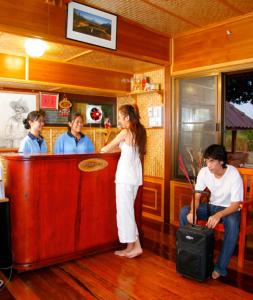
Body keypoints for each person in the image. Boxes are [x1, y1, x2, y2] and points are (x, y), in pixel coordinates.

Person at [180, 144, 243, 279]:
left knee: (232, 225)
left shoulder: (233, 174)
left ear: (221, 161)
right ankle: (190, 252)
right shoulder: (204, 172)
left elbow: (236, 204)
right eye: (207, 160)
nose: (208, 165)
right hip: (211, 205)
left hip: (229, 209)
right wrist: (193, 211)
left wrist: (218, 215)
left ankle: (220, 267)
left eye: (212, 161)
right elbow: (197, 195)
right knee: (184, 211)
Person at [101, 104, 147, 258]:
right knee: (128, 212)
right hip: (134, 177)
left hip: (125, 177)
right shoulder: (139, 131)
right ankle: (133, 246)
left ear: (127, 117)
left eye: (120, 117)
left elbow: (105, 150)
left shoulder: (125, 132)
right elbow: (122, 149)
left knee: (125, 213)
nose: (119, 120)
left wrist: (105, 144)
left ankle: (134, 246)